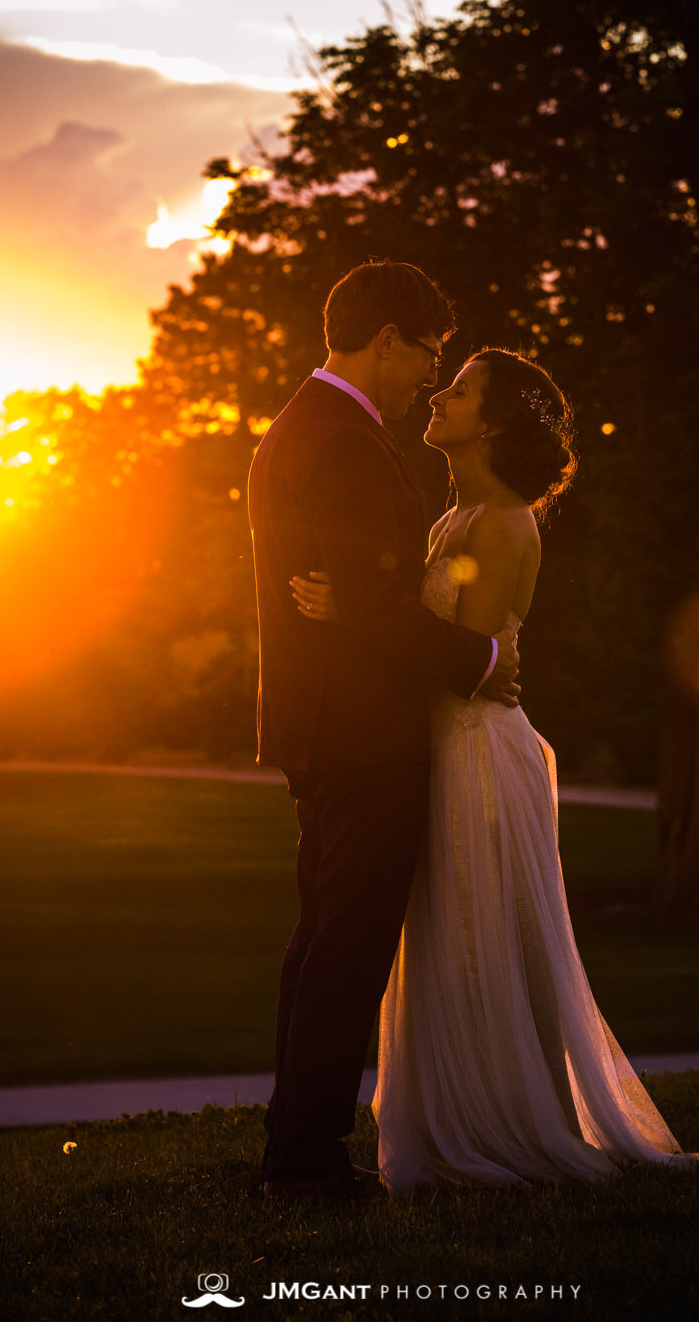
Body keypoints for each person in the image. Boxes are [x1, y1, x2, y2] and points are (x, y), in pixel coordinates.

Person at [293, 346, 699, 1193]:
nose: (439, 397)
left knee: (482, 938)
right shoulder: (451, 519)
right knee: (445, 935)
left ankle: (508, 1127)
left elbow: (459, 660)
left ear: (496, 425)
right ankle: (449, 1123)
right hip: (439, 746)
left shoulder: (506, 521)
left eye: (462, 390)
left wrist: (357, 616)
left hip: (477, 751)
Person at [247, 261, 521, 1203]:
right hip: (361, 729)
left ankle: (295, 1143)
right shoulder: (345, 444)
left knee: (319, 941)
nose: (427, 378)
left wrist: (356, 602)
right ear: (388, 341)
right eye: (427, 355)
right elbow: (365, 596)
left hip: (321, 723)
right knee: (348, 948)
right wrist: (482, 663)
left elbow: (355, 594)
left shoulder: (300, 426)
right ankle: (309, 1161)